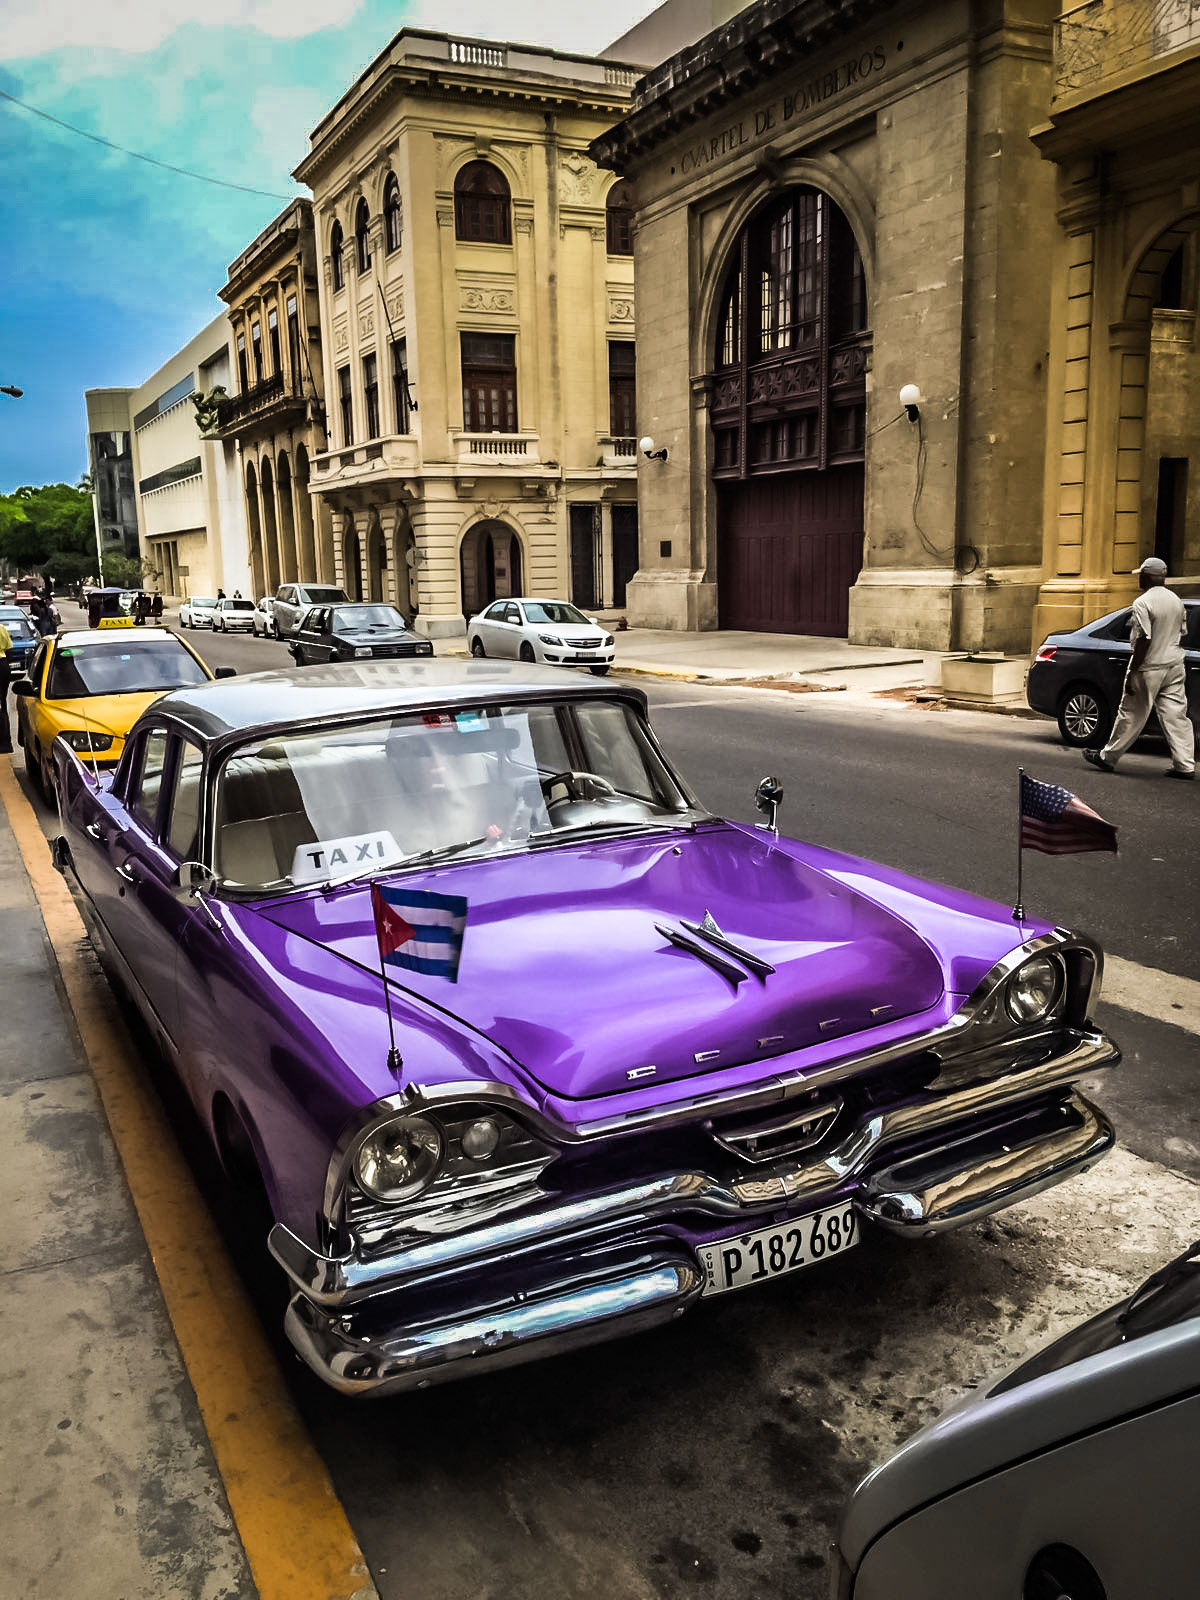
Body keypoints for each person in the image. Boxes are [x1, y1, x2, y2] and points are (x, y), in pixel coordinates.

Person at [1084, 556, 1195, 779]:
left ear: (1146, 576)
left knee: (1131, 712)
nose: (1139, 580)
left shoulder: (1143, 602)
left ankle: (1108, 757)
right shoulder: (1176, 600)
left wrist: (1133, 672)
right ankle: (1185, 765)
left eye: (1141, 575)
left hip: (1150, 666)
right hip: (1174, 664)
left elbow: (1144, 638)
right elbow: (1180, 634)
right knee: (1176, 715)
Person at [0, 617, 12, 754]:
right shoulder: (1, 627)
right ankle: (5, 742)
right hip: (2, 665)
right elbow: (9, 651)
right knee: (2, 704)